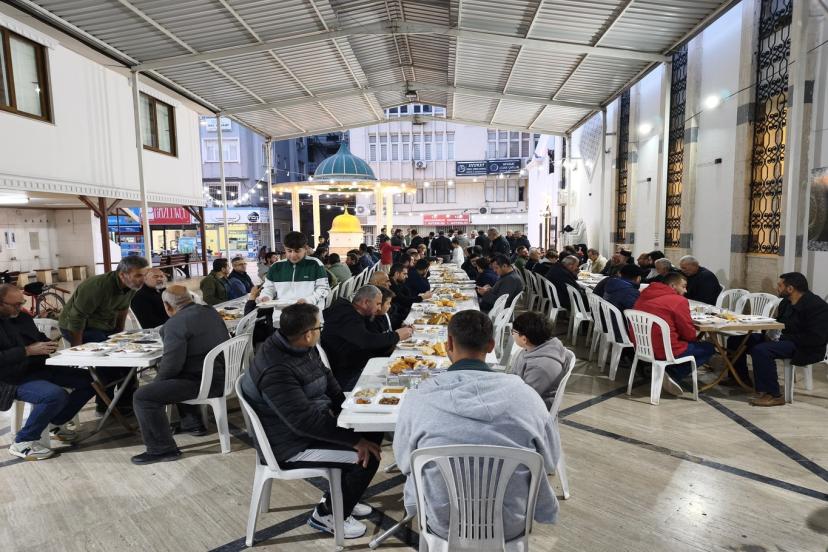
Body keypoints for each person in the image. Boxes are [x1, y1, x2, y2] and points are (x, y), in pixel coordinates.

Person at [393, 310, 560, 542]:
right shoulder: (527, 397)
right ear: (491, 345)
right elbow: (550, 460)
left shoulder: (418, 398)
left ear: (449, 343)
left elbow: (404, 462)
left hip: (443, 523)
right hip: (509, 523)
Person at [239, 304, 382, 538]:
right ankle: (327, 515)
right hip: (290, 445)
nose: (321, 331)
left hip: (309, 426)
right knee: (367, 455)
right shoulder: (275, 368)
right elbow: (303, 422)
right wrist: (354, 441)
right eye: (319, 327)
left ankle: (343, 498)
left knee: (371, 431)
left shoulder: (299, 345)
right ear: (307, 333)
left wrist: (345, 410)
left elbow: (326, 376)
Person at [130, 286, 230, 464]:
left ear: (167, 306)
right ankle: (192, 424)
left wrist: (156, 385)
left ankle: (162, 449)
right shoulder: (210, 312)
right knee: (179, 375)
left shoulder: (175, 324)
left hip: (205, 383)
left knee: (143, 396)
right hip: (226, 375)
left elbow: (171, 366)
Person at [1, 284, 95, 460]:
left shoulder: (22, 317)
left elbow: (36, 338)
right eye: (15, 305)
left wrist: (47, 343)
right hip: (10, 379)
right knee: (54, 395)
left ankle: (54, 422)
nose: (20, 308)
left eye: (22, 303)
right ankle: (22, 442)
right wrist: (27, 351)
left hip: (37, 367)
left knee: (90, 380)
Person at [59, 255, 149, 413]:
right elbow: (77, 317)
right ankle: (104, 403)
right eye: (138, 275)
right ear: (123, 274)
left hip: (104, 326)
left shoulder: (132, 286)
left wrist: (119, 335)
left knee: (130, 355)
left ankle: (125, 402)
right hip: (77, 327)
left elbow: (123, 309)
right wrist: (76, 348)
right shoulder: (97, 287)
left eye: (144, 274)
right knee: (109, 358)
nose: (142, 279)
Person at [728, 272, 828, 406]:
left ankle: (773, 394)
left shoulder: (817, 306)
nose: (777, 288)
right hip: (783, 339)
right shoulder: (785, 303)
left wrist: (781, 337)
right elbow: (778, 323)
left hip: (805, 347)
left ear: (790, 288)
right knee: (737, 340)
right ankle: (739, 378)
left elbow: (817, 338)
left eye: (780, 285)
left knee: (761, 350)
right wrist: (769, 331)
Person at [633, 273, 716, 396]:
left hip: (642, 346)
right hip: (664, 349)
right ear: (672, 286)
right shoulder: (678, 300)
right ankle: (674, 374)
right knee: (708, 348)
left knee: (687, 342)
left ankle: (667, 370)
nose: (686, 290)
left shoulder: (644, 295)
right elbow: (688, 333)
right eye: (683, 286)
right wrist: (693, 339)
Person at [321, 285, 413, 391]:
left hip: (357, 366)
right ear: (366, 302)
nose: (379, 308)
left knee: (406, 373)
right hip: (348, 377)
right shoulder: (346, 316)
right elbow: (366, 341)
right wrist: (396, 335)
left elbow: (368, 343)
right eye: (378, 304)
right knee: (406, 383)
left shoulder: (354, 314)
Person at [511, 311, 568, 409]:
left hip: (534, 408)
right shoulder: (532, 348)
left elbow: (525, 398)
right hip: (521, 395)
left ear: (524, 339)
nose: (512, 334)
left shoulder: (541, 367)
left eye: (513, 332)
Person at [260, 231, 330, 310]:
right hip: (282, 313)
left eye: (297, 251)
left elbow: (323, 289)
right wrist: (266, 296)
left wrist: (308, 300)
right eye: (289, 251)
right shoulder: (276, 267)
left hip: (309, 313)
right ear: (284, 248)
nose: (293, 255)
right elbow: (268, 288)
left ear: (305, 249)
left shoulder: (315, 264)